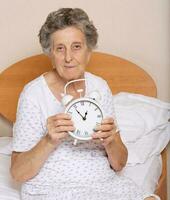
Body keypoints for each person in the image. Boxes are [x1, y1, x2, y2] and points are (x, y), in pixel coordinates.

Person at [10, 8, 158, 200]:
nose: (69, 57)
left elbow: (120, 164)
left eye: (77, 46)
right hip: (52, 189)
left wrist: (110, 140)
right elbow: (18, 173)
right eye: (60, 48)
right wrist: (49, 141)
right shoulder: (33, 94)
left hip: (103, 185)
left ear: (89, 51)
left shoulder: (100, 87)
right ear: (50, 54)